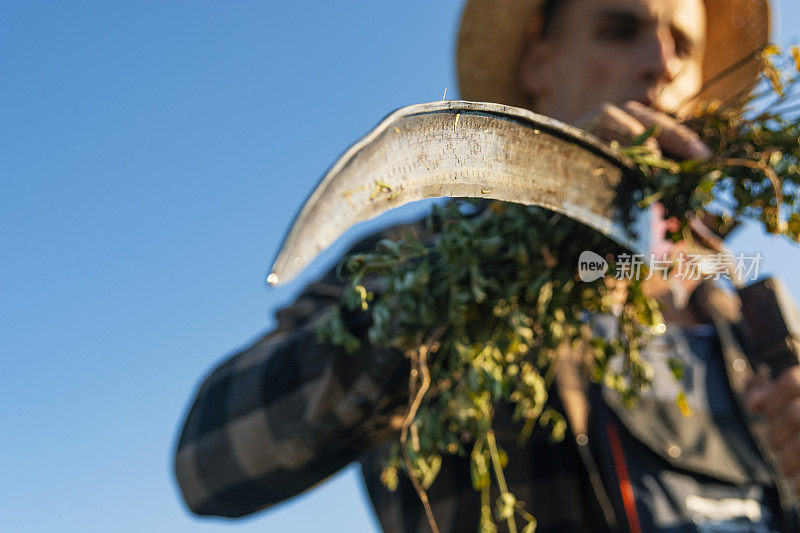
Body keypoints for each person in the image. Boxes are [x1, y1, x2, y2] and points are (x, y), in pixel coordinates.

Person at [174, 0, 800, 531]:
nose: (662, 64)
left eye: (683, 48)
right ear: (538, 65)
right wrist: (516, 246)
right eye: (618, 29)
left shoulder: (738, 301)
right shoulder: (426, 253)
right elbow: (209, 464)